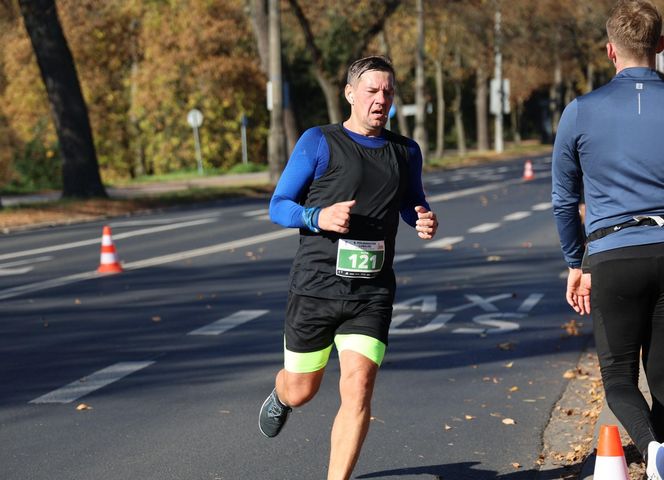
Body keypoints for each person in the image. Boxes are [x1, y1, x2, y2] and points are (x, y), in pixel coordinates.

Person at [258, 55, 438, 480]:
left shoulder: (405, 150)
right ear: (350, 94)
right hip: (317, 285)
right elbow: (279, 205)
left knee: (358, 387)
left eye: (388, 92)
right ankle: (282, 394)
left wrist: (422, 217)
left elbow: (412, 201)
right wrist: (318, 217)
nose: (381, 100)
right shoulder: (319, 141)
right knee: (303, 390)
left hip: (371, 291)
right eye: (372, 91)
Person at [552, 1, 664, 477]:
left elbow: (562, 200)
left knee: (618, 378)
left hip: (613, 255)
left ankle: (655, 451)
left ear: (609, 50)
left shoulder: (581, 111)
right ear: (660, 46)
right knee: (662, 377)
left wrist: (577, 263)